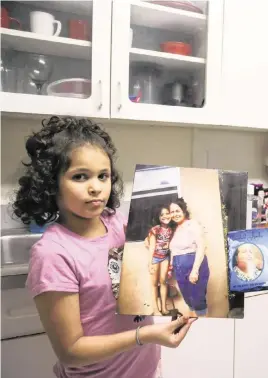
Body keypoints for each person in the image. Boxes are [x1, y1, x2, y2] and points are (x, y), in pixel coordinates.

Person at [11, 116, 196, 378]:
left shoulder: (119, 226)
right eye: (80, 177)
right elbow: (70, 351)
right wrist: (143, 336)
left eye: (103, 176)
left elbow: (152, 272)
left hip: (147, 371)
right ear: (52, 184)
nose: (96, 187)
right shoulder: (53, 253)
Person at [168, 198, 210, 317]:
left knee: (198, 299)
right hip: (179, 269)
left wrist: (195, 271)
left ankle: (203, 323)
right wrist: (171, 267)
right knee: (188, 299)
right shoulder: (175, 228)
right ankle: (193, 323)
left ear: (184, 210)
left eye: (177, 210)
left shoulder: (193, 224)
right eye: (172, 212)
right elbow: (174, 250)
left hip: (193, 266)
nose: (175, 214)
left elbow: (201, 247)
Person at [147, 206, 174, 315]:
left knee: (163, 282)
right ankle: (155, 309)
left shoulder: (171, 230)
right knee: (154, 284)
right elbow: (151, 247)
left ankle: (163, 308)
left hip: (165, 257)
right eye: (161, 214)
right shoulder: (155, 229)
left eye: (167, 213)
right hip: (155, 258)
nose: (165, 216)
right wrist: (150, 263)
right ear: (158, 217)